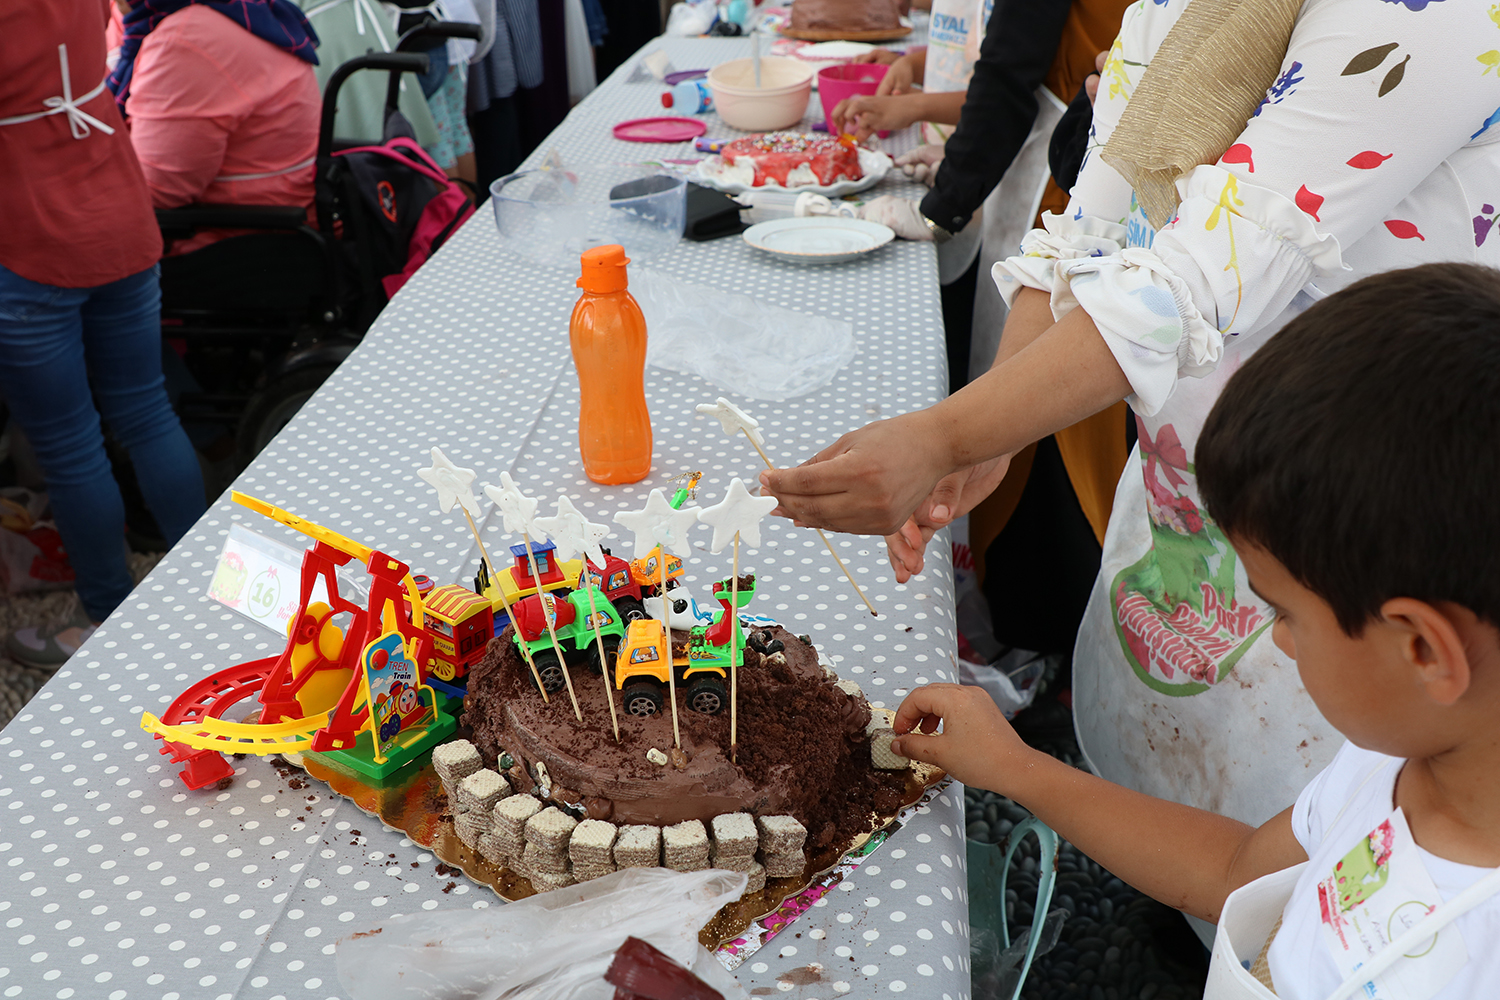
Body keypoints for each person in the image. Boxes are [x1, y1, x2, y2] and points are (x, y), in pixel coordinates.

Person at [763, 0, 1500, 879]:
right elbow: (1090, 228)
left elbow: (1190, 279)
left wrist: (948, 431)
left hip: (1366, 509)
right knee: (1217, 817)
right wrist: (986, 435)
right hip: (1203, 485)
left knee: (1344, 834)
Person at [887, 262, 1500, 995]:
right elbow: (1237, 871)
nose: (1275, 638)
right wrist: (1014, 766)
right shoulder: (1389, 764)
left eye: (1285, 613)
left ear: (1424, 649)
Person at [0, 0, 205, 667]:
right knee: (148, 411)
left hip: (27, 233)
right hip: (114, 207)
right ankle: (213, 589)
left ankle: (106, 621)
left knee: (69, 446)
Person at [111, 0, 322, 255]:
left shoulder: (187, 37)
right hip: (285, 230)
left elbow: (155, 190)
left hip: (235, 250)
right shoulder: (241, 9)